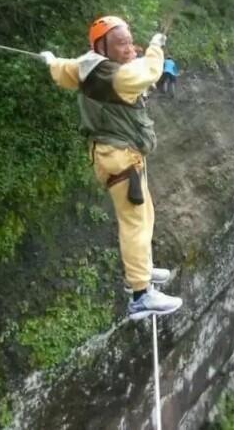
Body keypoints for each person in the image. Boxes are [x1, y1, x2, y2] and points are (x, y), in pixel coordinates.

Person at [40, 16, 182, 321]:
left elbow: (62, 69)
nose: (129, 48)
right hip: (120, 158)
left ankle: (141, 267)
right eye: (121, 43)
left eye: (130, 41)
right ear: (103, 47)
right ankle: (141, 295)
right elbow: (150, 70)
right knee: (134, 222)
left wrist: (50, 60)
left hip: (119, 157)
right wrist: (156, 46)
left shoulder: (85, 66)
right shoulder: (120, 76)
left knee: (145, 215)